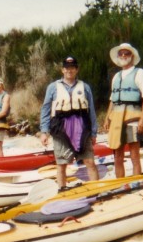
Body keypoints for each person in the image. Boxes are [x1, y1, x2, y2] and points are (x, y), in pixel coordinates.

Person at [40, 56, 99, 189]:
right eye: (66, 68)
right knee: (61, 164)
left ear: (76, 69)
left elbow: (92, 111)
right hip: (61, 128)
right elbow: (45, 109)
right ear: (62, 70)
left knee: (89, 161)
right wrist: (44, 132)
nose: (69, 70)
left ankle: (97, 190)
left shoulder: (85, 87)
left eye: (72, 68)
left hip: (82, 127)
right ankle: (62, 190)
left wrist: (94, 132)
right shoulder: (53, 87)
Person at [103, 43, 143, 177]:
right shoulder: (116, 76)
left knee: (134, 155)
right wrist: (107, 118)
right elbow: (112, 99)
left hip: (133, 116)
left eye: (127, 53)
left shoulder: (139, 73)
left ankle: (137, 183)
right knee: (117, 156)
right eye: (121, 53)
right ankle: (121, 186)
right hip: (116, 117)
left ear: (132, 56)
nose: (123, 56)